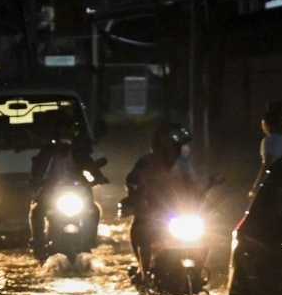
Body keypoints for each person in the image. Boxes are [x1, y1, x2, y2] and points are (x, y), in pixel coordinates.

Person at [124, 125, 201, 283]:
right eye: (168, 146)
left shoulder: (184, 167)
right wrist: (139, 200)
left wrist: (207, 206)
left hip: (179, 215)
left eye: (175, 147)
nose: (171, 151)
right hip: (153, 215)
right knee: (141, 231)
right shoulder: (145, 163)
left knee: (203, 241)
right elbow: (133, 182)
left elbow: (195, 189)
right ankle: (145, 275)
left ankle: (198, 276)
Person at [28, 117, 106, 259]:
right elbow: (38, 167)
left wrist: (98, 176)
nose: (65, 136)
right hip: (51, 190)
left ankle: (90, 240)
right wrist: (37, 179)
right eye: (63, 132)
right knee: (37, 211)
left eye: (69, 132)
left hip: (78, 191)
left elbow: (90, 165)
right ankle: (38, 243)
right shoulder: (47, 151)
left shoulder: (79, 151)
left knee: (93, 210)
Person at [249, 109, 282, 199]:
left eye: (263, 124)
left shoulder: (267, 141)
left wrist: (256, 186)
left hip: (274, 181)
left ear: (268, 125)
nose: (262, 127)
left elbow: (266, 163)